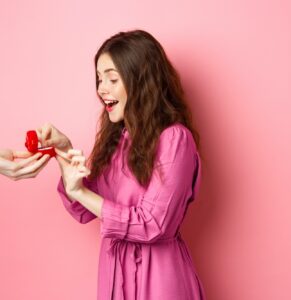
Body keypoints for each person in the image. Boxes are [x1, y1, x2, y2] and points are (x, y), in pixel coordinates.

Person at [39, 29, 207, 300]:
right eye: (98, 79)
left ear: (141, 82)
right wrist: (64, 152)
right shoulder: (117, 141)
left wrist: (81, 192)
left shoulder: (175, 139)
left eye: (112, 79)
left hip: (160, 281)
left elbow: (154, 224)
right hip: (115, 278)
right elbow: (83, 210)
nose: (101, 88)